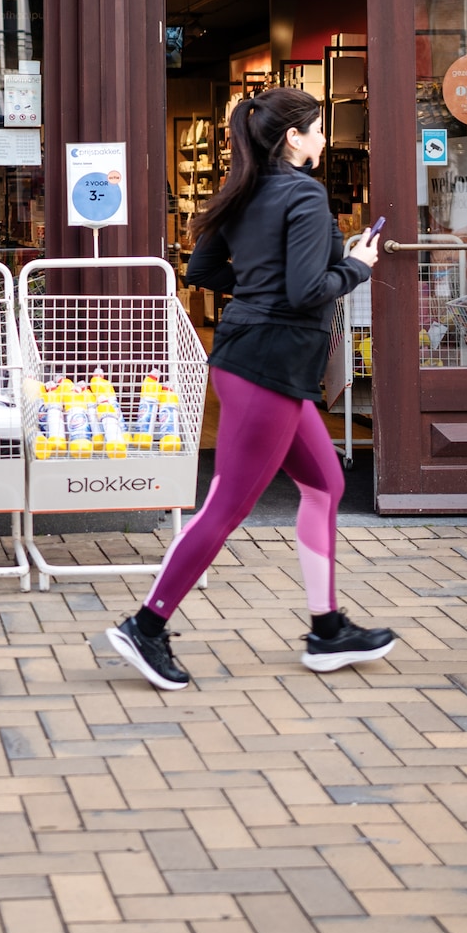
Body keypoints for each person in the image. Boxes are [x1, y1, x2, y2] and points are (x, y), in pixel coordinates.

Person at [104, 86, 397, 690]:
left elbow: (204, 271)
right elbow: (305, 291)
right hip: (270, 365)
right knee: (227, 506)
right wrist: (358, 265)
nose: (324, 138)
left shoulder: (239, 191)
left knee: (326, 483)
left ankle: (327, 630)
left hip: (259, 360)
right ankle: (146, 626)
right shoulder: (306, 196)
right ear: (293, 137)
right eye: (318, 128)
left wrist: (263, 281)